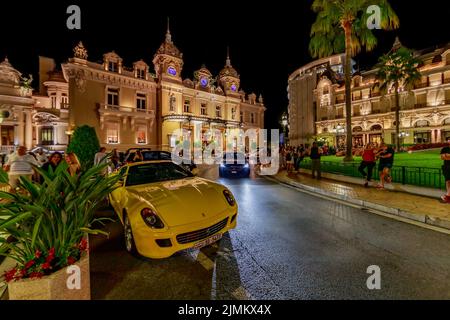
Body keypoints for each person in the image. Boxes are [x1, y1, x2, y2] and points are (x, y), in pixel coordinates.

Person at [440, 138, 450, 203]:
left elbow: (446, 157)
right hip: (446, 167)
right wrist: (446, 156)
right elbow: (442, 157)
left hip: (447, 166)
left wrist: (447, 156)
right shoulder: (444, 149)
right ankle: (448, 197)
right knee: (448, 181)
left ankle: (447, 196)